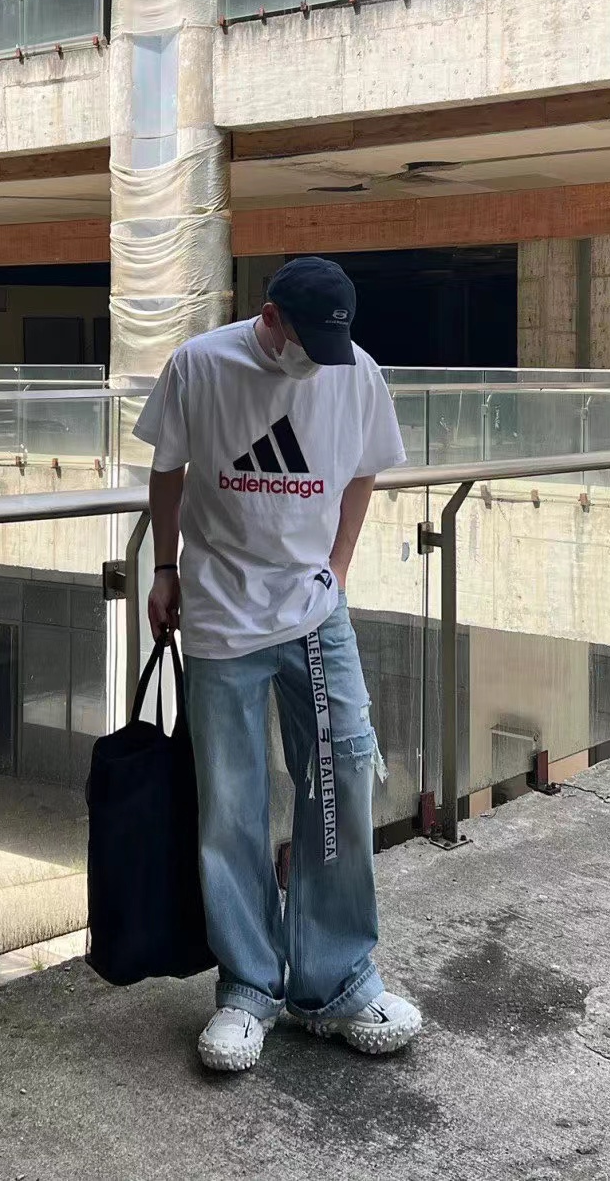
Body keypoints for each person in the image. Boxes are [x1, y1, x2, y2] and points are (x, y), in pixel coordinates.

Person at [134, 255, 422, 1073]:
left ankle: (337, 981)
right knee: (232, 799)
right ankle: (248, 987)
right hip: (220, 611)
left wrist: (339, 567)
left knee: (343, 768)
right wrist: (164, 567)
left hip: (315, 610)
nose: (318, 362)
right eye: (306, 344)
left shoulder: (354, 368)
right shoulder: (200, 365)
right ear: (271, 319)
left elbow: (363, 470)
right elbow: (166, 469)